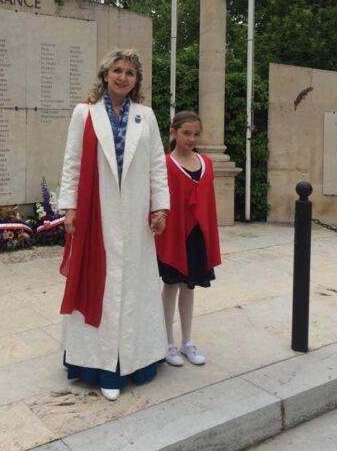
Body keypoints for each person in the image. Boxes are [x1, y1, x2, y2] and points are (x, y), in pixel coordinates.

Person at [58, 48, 170, 401]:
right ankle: (101, 364)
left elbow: (156, 166)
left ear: (136, 81)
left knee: (134, 285)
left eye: (130, 73)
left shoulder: (145, 116)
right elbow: (72, 161)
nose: (123, 77)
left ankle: (136, 359)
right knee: (100, 284)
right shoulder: (84, 113)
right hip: (97, 213)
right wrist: (70, 207)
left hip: (136, 216)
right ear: (105, 75)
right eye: (117, 71)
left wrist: (160, 207)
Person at [155, 111, 221, 367]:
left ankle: (187, 341)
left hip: (198, 234)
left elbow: (208, 203)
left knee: (189, 286)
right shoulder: (165, 163)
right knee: (170, 285)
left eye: (195, 134)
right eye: (186, 133)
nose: (191, 138)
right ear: (174, 132)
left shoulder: (206, 162)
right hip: (174, 234)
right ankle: (167, 342)